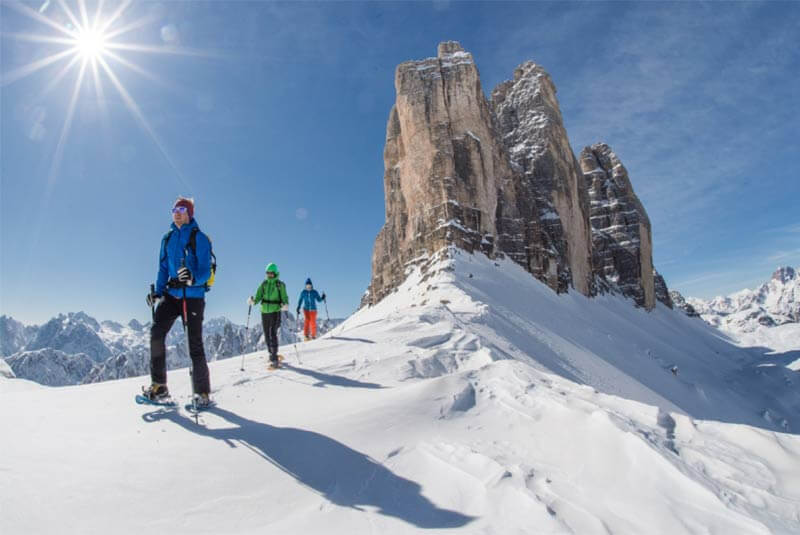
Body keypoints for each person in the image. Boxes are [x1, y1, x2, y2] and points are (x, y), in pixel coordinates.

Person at [144, 197, 213, 405]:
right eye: (174, 209)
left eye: (181, 209)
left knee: (194, 343)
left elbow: (205, 269)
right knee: (156, 334)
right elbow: (163, 268)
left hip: (192, 297)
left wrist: (192, 278)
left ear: (189, 213)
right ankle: (160, 386)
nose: (176, 212)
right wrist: (158, 291)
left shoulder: (199, 237)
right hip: (171, 295)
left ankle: (202, 393)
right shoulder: (167, 238)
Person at [248, 263, 289, 368]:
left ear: (275, 273)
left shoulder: (280, 285)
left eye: (271, 273)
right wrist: (253, 301)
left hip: (275, 311)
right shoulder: (264, 284)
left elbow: (284, 297)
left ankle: (274, 357)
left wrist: (285, 304)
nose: (269, 275)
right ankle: (271, 353)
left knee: (272, 333)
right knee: (266, 335)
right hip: (264, 312)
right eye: (268, 273)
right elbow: (258, 296)